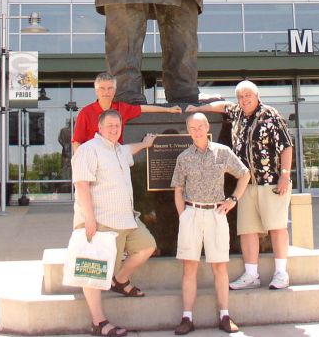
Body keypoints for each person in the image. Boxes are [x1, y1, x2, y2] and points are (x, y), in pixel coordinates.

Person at [188, 79, 295, 291]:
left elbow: (286, 146)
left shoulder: (270, 115)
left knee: (277, 227)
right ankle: (251, 274)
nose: (244, 100)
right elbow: (221, 106)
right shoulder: (236, 112)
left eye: (248, 96)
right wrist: (199, 108)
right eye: (240, 97)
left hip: (270, 182)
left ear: (257, 96)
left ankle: (281, 273)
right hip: (246, 183)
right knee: (247, 229)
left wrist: (285, 175)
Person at [72, 109, 158, 337]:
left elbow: (130, 149)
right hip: (101, 221)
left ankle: (119, 280)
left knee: (147, 246)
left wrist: (145, 143)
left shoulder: (119, 150)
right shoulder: (88, 150)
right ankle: (98, 322)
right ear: (99, 128)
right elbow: (81, 185)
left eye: (117, 126)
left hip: (127, 218)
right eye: (109, 125)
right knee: (94, 269)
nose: (114, 129)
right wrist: (89, 219)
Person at [170, 113, 251, 335]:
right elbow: (178, 189)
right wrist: (183, 216)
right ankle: (187, 317)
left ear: (207, 128)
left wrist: (233, 199)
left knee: (219, 267)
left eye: (200, 126)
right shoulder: (184, 157)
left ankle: (225, 315)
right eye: (192, 128)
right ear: (188, 131)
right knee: (189, 268)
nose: (196, 131)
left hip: (216, 213)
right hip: (192, 213)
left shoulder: (222, 152)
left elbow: (244, 175)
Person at [71, 72, 180, 153]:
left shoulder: (121, 109)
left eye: (110, 88)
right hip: (93, 162)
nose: (106, 92)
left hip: (115, 159)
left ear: (114, 91)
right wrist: (81, 165)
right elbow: (77, 142)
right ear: (96, 91)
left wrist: (168, 109)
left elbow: (143, 108)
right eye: (102, 88)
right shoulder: (85, 113)